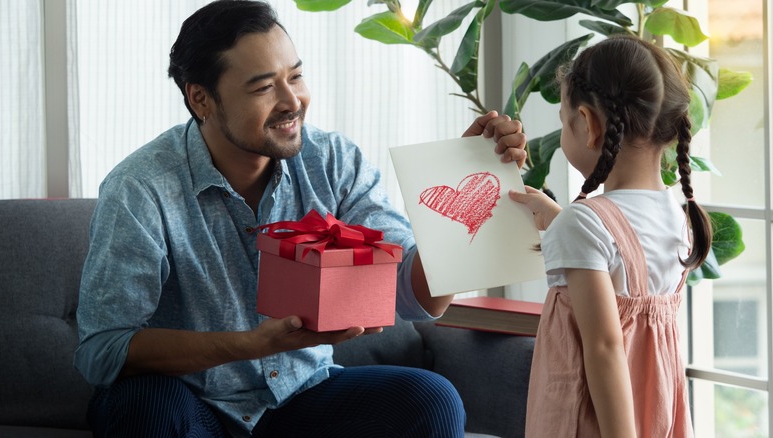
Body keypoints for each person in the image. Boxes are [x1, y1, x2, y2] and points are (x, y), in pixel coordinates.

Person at [72, 1, 527, 437]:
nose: (293, 101)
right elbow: (104, 350)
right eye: (264, 87)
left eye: (296, 76)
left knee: (431, 399)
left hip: (301, 395)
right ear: (201, 99)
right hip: (190, 400)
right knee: (144, 408)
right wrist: (252, 344)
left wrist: (471, 175)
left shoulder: (333, 161)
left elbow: (414, 295)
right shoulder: (140, 187)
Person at [510, 34, 711, 437]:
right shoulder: (675, 212)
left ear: (587, 124)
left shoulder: (584, 224)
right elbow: (621, 260)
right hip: (654, 410)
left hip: (596, 420)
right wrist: (558, 219)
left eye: (563, 122)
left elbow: (604, 348)